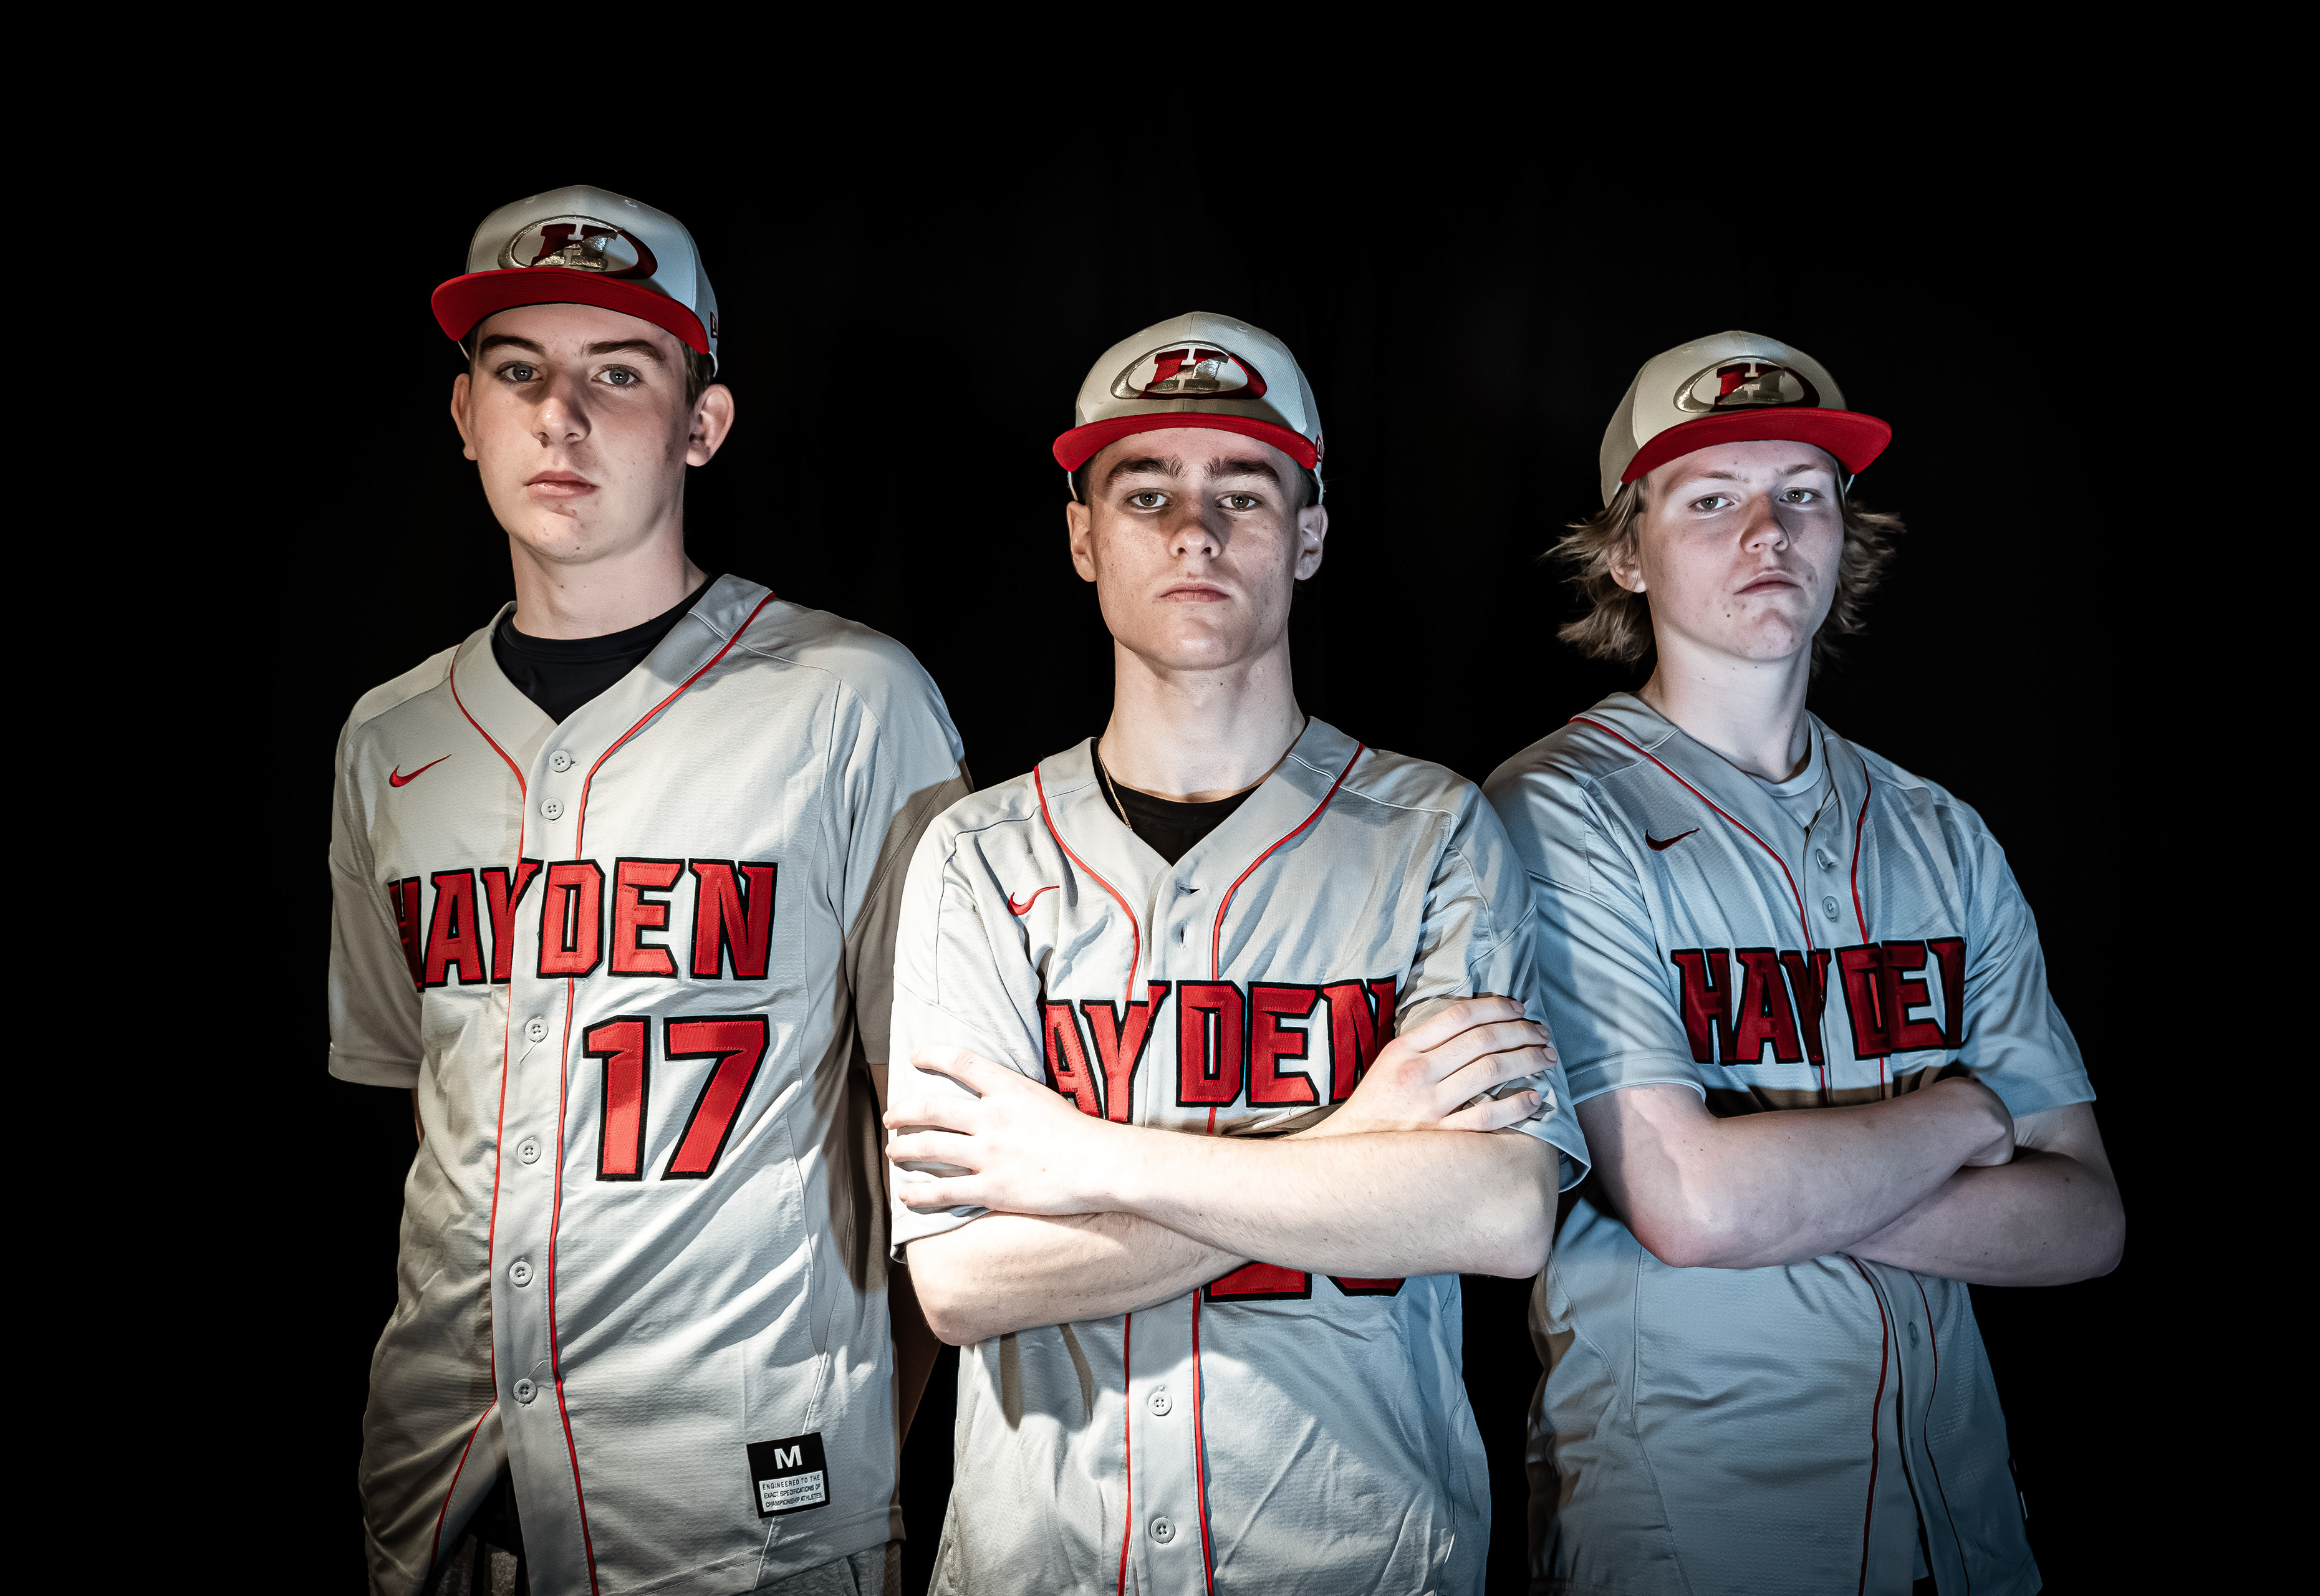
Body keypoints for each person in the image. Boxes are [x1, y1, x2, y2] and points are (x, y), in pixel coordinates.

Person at [881, 312, 1590, 1595]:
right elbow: (968, 1280)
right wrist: (1357, 1143)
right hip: (1048, 1562)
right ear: (1083, 538)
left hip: (1359, 1559)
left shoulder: (1434, 831)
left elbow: (1498, 1211)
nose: (1195, 531)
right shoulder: (977, 853)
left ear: (1309, 534)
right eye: (1145, 492)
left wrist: (1083, 1158)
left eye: (1244, 492)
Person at [327, 183, 966, 1596]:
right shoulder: (391, 734)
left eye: (619, 373)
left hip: (747, 1511)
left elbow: (945, 1127)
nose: (559, 417)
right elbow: (418, 1101)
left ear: (702, 423)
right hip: (442, 1490)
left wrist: (856, 1450)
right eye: (518, 371)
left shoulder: (853, 701)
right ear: (464, 413)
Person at [1486, 331, 2126, 1595]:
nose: (1766, 531)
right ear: (1626, 551)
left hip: (1963, 1518)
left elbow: (2086, 1221)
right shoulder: (1554, 812)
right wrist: (1972, 1113)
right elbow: (1693, 1205)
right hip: (1702, 1525)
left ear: (1845, 532)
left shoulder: (1939, 829)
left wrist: (1793, 1192)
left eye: (1804, 494)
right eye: (1710, 499)